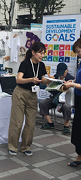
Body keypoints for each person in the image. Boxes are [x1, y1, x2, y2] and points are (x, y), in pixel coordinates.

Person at [8, 41, 51, 156]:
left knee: (31, 123)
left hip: (33, 95)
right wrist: (31, 79)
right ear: (33, 52)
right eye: (40, 53)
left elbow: (43, 80)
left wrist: (49, 79)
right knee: (17, 122)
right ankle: (12, 145)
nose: (42, 56)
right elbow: (18, 80)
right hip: (20, 93)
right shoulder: (25, 63)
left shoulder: (41, 65)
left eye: (43, 53)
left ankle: (26, 146)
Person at [39, 62, 75, 135]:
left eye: (63, 73)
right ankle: (50, 123)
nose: (61, 74)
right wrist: (49, 85)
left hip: (65, 99)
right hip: (55, 97)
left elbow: (73, 92)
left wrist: (67, 85)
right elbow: (51, 90)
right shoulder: (55, 76)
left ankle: (66, 126)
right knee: (43, 103)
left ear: (67, 71)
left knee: (66, 107)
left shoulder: (71, 79)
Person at [64, 38, 81, 167]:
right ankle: (79, 155)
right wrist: (74, 81)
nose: (78, 54)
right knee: (78, 128)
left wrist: (73, 84)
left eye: (79, 51)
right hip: (79, 99)